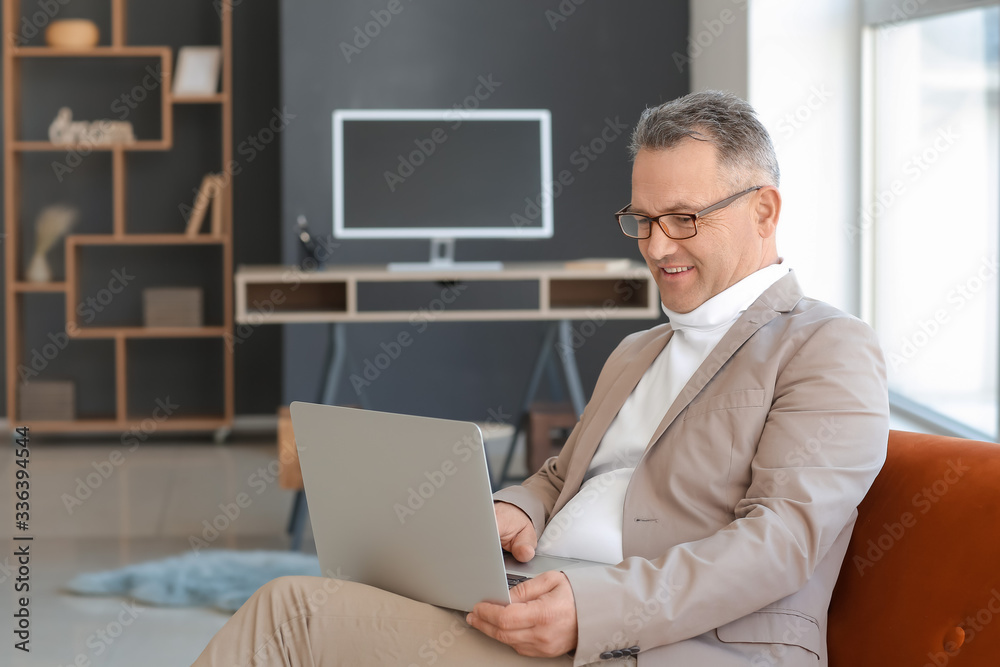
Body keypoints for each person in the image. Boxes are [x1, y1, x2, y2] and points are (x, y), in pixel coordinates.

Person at [191, 90, 889, 667]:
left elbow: (779, 542)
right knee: (324, 593)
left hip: (669, 643)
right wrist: (519, 507)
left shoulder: (827, 348)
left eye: (684, 219)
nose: (656, 246)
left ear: (764, 209)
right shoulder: (640, 350)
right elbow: (561, 474)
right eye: (642, 221)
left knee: (289, 618)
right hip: (540, 594)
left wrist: (595, 612)